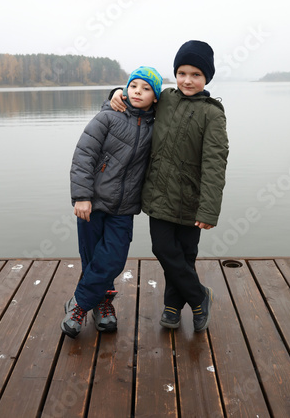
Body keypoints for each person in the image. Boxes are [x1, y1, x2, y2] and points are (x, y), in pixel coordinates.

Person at [111, 40, 229, 332]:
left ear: (207, 78)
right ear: (175, 74)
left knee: (186, 254)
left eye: (196, 75)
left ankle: (172, 307)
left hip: (192, 201)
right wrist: (115, 93)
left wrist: (209, 208)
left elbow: (215, 163)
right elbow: (139, 97)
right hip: (158, 196)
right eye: (182, 73)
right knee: (164, 249)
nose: (188, 80)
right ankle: (199, 296)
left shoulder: (213, 114)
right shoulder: (165, 99)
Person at [61, 66, 163, 338]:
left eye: (146, 88)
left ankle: (79, 303)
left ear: (156, 97)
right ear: (125, 89)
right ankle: (102, 304)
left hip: (125, 207)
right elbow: (84, 155)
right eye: (133, 86)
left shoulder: (158, 124)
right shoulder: (108, 116)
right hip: (92, 203)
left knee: (114, 258)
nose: (138, 92)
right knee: (92, 257)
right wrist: (82, 195)